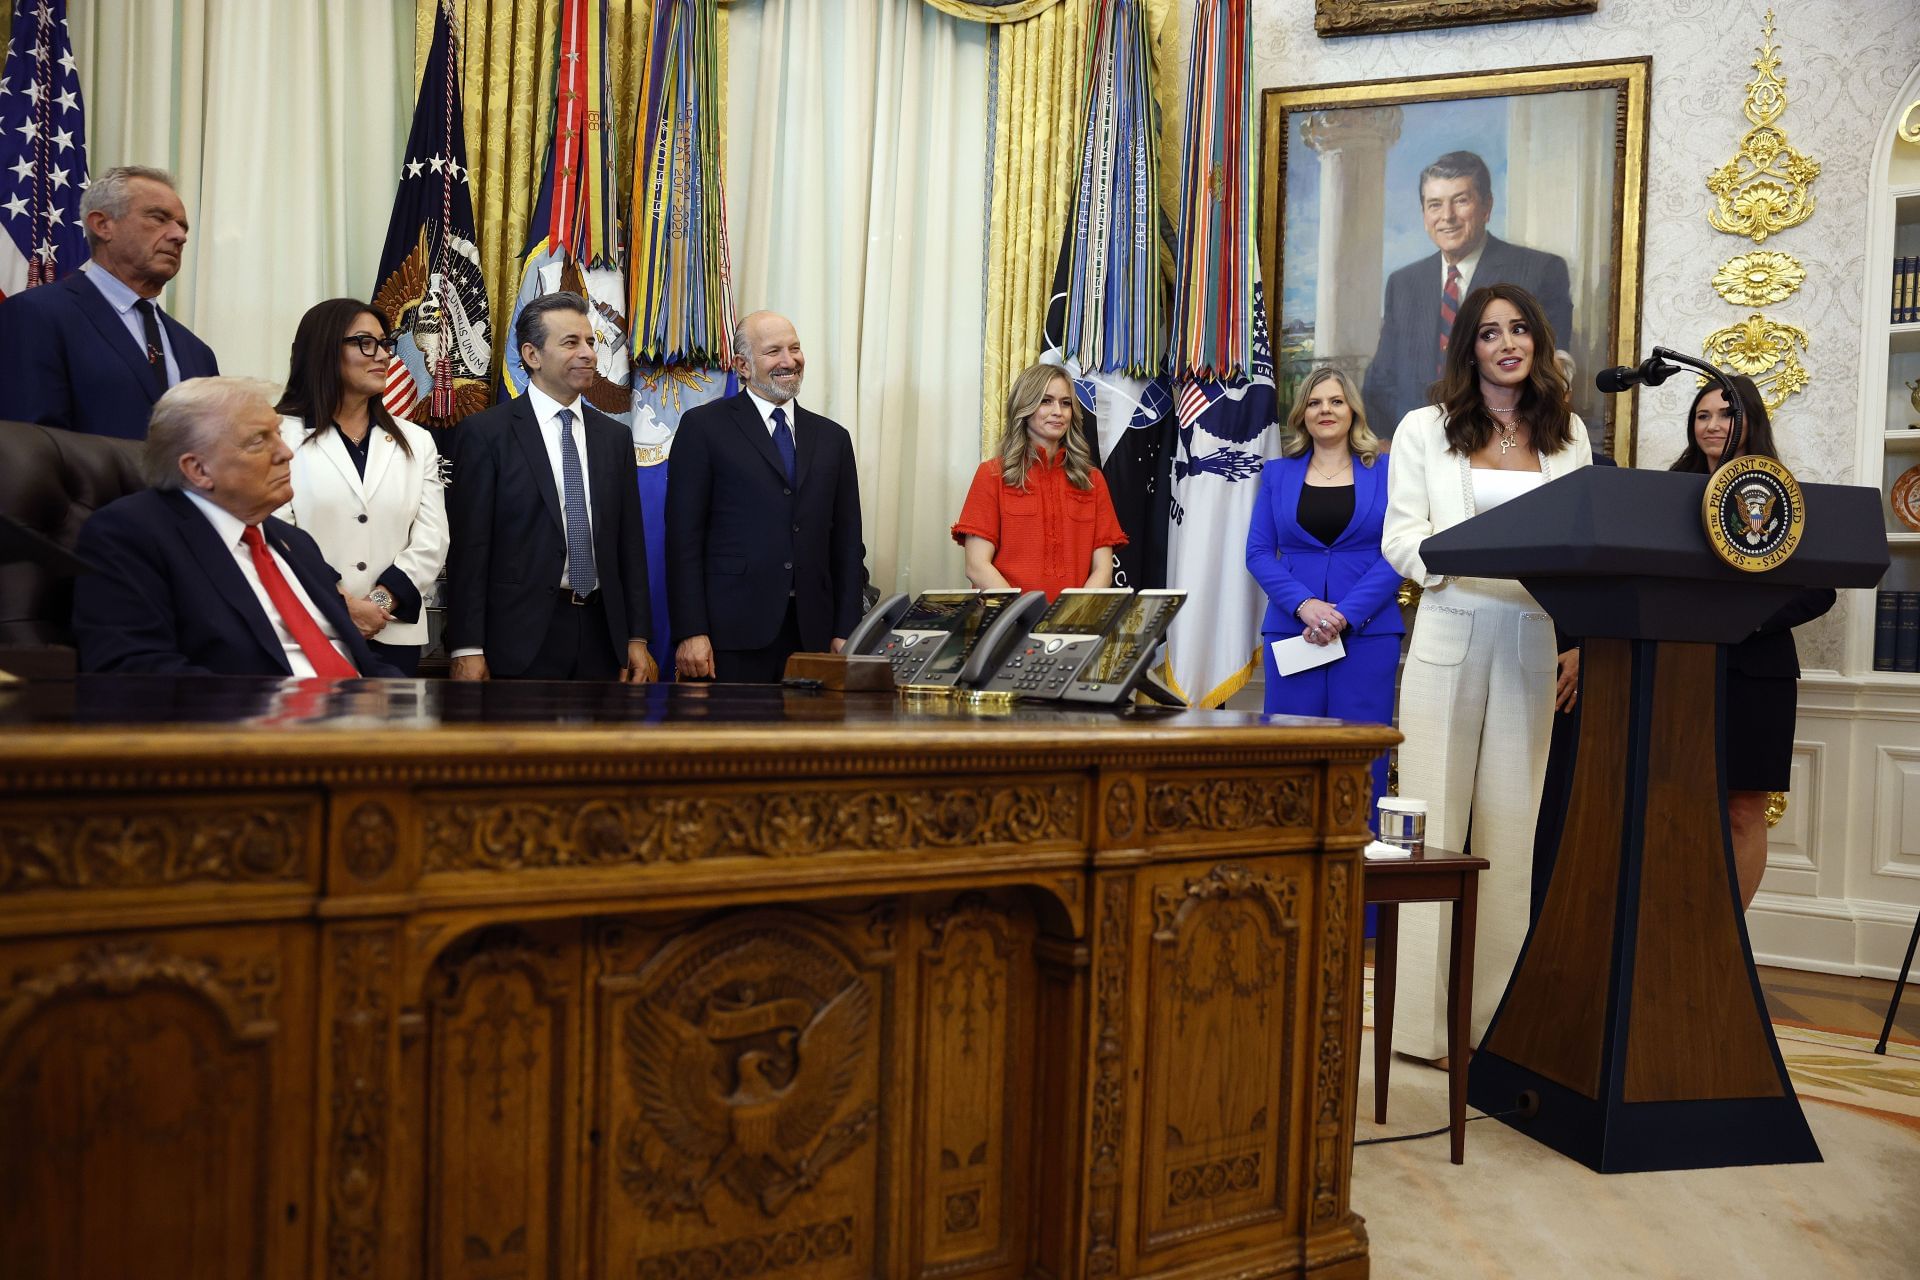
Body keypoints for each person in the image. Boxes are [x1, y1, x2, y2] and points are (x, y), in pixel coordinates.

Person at [1381, 282, 1592, 1061]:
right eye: (1489, 333)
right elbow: (1402, 539)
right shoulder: (1424, 430)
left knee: (1510, 831)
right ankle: (1415, 1028)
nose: (1507, 343)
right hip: (1449, 630)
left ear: (1537, 341)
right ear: (1468, 346)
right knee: (1430, 832)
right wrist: (1470, 558)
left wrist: (1577, 636)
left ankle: (1492, 1023)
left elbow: (1581, 551)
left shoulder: (1568, 436)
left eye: (1520, 330)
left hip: (1534, 639)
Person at [71, 377, 400, 678]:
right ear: (198, 469)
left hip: (362, 725)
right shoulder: (130, 535)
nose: (285, 453)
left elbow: (361, 662)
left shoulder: (295, 543)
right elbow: (135, 670)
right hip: (260, 730)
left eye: (279, 435)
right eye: (259, 441)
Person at [1670, 374, 1833, 910]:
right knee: (1677, 803)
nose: (1713, 426)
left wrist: (1741, 621)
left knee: (1743, 810)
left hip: (1757, 674)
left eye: (1725, 414)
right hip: (1680, 668)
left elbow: (1819, 590)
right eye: (1702, 416)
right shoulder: (1668, 490)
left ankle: (1725, 947)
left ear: (1751, 421)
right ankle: (1675, 934)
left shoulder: (1786, 493)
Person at [446, 292, 657, 683]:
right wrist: (467, 646)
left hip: (601, 636)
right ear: (532, 355)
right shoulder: (486, 434)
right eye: (571, 342)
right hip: (517, 640)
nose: (589, 354)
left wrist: (637, 637)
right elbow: (470, 548)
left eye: (591, 342)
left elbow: (629, 544)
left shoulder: (613, 438)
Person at [666, 310, 866, 682]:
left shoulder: (833, 439)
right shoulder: (703, 428)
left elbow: (848, 544)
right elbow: (683, 540)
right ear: (742, 365)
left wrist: (846, 628)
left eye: (795, 349)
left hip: (813, 635)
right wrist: (691, 631)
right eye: (774, 351)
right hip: (730, 635)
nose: (789, 361)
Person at [1245, 368, 1402, 805]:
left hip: (1368, 634)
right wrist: (1306, 605)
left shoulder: (1387, 471)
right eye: (1314, 403)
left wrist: (1344, 614)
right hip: (1295, 632)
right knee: (1290, 753)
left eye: (1335, 401)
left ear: (1353, 410)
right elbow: (1258, 553)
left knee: (1360, 756)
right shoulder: (1278, 474)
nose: (1325, 410)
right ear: (1302, 415)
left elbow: (1399, 550)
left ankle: (1360, 857)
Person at [271, 299, 448, 676]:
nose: (384, 355)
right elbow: (276, 534)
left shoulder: (417, 441)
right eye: (366, 343)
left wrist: (378, 603)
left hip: (392, 632)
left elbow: (432, 540)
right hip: (306, 628)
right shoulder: (275, 434)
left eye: (385, 343)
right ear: (323, 348)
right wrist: (342, 606)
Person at [1363, 151, 1573, 440]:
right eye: (1435, 204)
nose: (1447, 216)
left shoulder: (1540, 271)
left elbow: (1555, 370)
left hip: (1501, 444)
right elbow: (1381, 381)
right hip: (1417, 446)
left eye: (1461, 200)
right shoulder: (1403, 283)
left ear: (1486, 206)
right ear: (1424, 214)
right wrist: (1391, 443)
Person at [0, 166, 219, 439]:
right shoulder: (37, 316)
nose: (179, 235)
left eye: (182, 226)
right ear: (103, 225)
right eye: (159, 218)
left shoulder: (198, 353)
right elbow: (31, 447)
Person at [950, 362, 1127, 600]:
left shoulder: (1091, 480)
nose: (1058, 411)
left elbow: (1103, 569)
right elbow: (976, 566)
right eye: (1046, 401)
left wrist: (1070, 616)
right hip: (1006, 628)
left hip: (1068, 629)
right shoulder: (992, 474)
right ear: (1024, 406)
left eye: (1066, 403)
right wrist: (1024, 616)